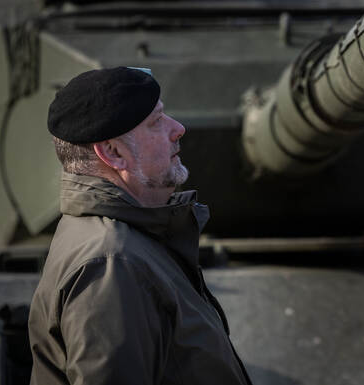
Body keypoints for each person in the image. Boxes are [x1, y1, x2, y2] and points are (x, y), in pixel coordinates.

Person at [28, 66, 252, 385]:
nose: (178, 129)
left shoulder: (126, 241)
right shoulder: (111, 264)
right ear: (113, 152)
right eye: (156, 122)